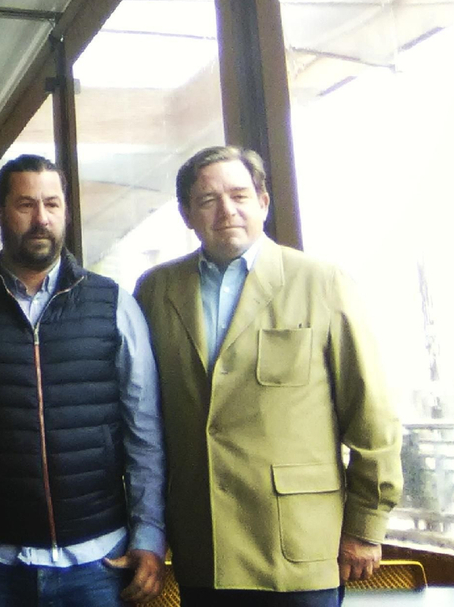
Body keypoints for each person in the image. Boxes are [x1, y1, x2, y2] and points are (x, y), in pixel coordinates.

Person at [134, 146, 402, 607]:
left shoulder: (322, 282)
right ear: (187, 215)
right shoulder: (157, 290)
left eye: (240, 194)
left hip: (300, 548)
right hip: (204, 547)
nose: (227, 210)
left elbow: (372, 415)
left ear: (263, 201)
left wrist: (366, 526)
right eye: (207, 200)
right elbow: (145, 419)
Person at [0, 154, 166, 607]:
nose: (41, 218)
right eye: (26, 204)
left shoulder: (113, 305)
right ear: (0, 213)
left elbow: (144, 432)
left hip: (98, 563)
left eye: (53, 204)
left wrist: (150, 534)